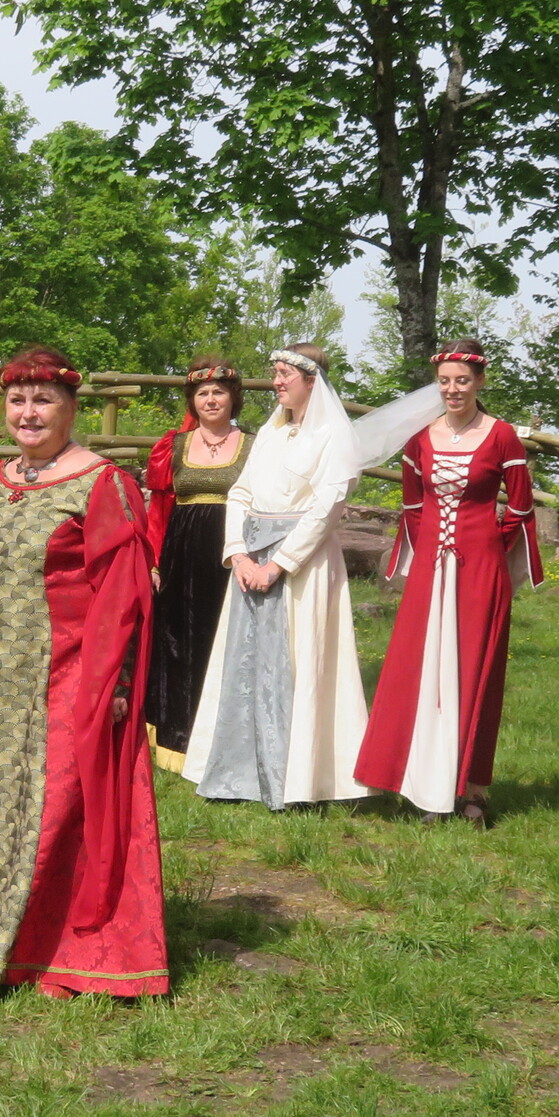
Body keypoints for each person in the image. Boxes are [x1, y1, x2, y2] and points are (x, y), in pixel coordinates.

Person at [0, 347, 166, 996]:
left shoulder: (103, 484)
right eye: (17, 401)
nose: (28, 412)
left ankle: (51, 953)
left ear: (71, 409)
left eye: (43, 400)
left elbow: (125, 596)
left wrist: (116, 683)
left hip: (67, 681)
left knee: (55, 814)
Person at [354, 343, 543, 824]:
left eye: (462, 380)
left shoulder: (502, 436)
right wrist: (432, 554)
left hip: (481, 567)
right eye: (445, 381)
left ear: (479, 382)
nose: (453, 389)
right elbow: (413, 507)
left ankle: (474, 789)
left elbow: (521, 507)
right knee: (419, 669)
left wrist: (487, 547)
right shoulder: (421, 439)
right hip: (430, 570)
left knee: (475, 668)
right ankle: (421, 782)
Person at [182, 343, 368, 809]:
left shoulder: (334, 436)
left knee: (300, 661)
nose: (277, 381)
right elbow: (240, 492)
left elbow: (327, 506)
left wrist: (280, 563)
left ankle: (299, 779)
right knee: (243, 665)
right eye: (276, 373)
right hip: (252, 559)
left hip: (303, 565)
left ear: (312, 381)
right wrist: (238, 554)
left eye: (286, 374)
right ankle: (237, 773)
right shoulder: (272, 431)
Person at [140, 356, 251, 772]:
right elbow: (159, 510)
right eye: (202, 393)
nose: (211, 399)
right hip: (181, 556)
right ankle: (178, 739)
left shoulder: (254, 445)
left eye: (219, 391)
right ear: (192, 400)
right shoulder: (174, 447)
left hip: (233, 553)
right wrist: (154, 563)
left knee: (226, 641)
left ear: (233, 398)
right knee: (179, 643)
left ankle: (227, 740)